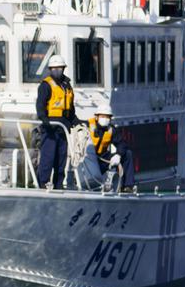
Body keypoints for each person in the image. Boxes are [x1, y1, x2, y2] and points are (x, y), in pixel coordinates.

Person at [35, 54, 84, 189]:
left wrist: (78, 123)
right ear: (50, 70)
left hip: (63, 129)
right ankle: (43, 184)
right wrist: (45, 121)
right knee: (48, 158)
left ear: (63, 69)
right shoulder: (46, 85)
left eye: (59, 68)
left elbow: (71, 111)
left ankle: (58, 185)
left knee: (61, 160)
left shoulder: (67, 86)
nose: (57, 71)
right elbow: (40, 106)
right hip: (51, 128)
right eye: (54, 69)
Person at [87, 108, 136, 192]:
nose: (105, 119)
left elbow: (122, 143)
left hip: (102, 160)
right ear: (97, 117)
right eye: (102, 116)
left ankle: (127, 186)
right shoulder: (87, 125)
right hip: (87, 158)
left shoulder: (111, 130)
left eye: (107, 117)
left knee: (127, 154)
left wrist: (118, 155)